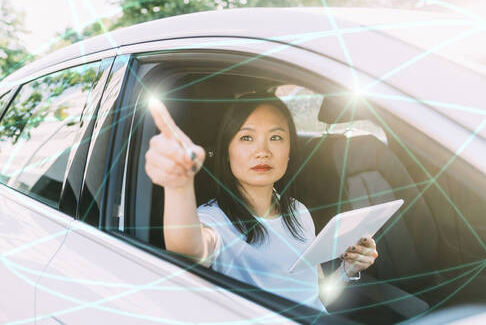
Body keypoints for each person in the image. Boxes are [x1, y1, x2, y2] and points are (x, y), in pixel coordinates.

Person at [145, 92, 378, 312]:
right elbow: (188, 251)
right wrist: (178, 186)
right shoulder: (213, 219)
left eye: (275, 137)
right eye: (247, 137)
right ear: (227, 150)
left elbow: (314, 296)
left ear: (289, 150)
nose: (263, 151)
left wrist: (349, 269)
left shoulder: (298, 211)